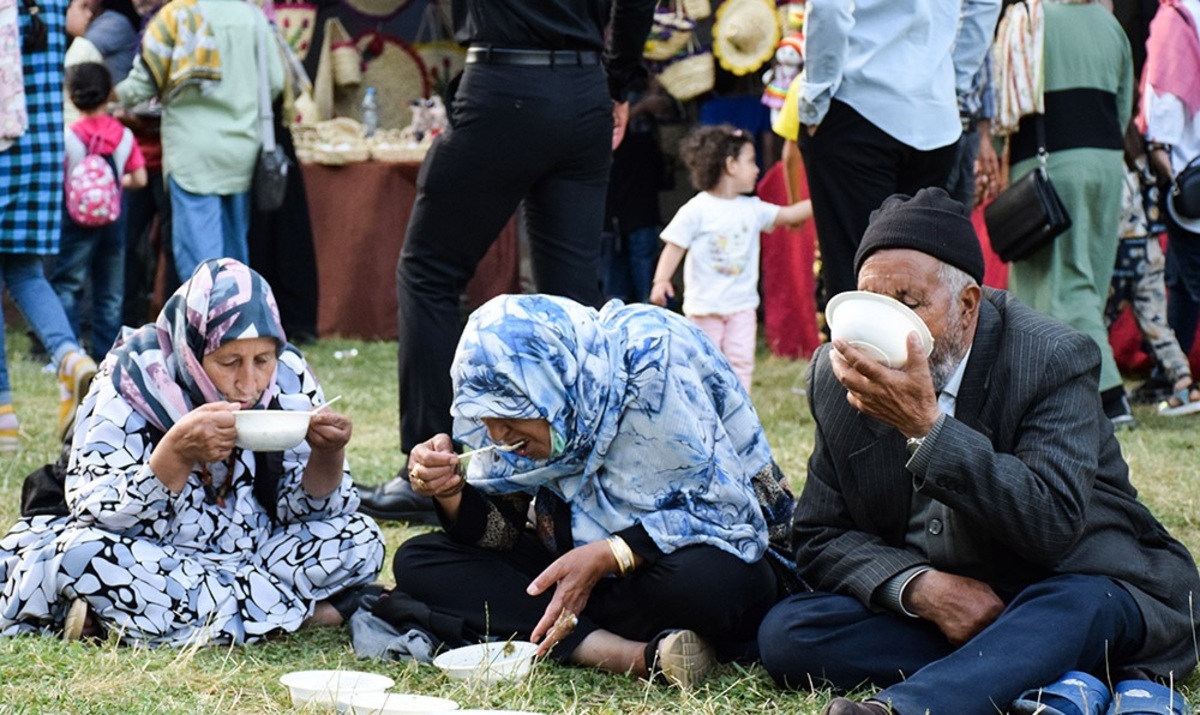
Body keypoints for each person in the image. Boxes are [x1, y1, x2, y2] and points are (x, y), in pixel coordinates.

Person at [756, 188, 1200, 715]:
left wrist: (927, 427)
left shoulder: (1052, 357)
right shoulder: (838, 374)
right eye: (875, 302)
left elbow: (1052, 522)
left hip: (1067, 580)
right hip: (954, 606)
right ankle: (1035, 666)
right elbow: (821, 535)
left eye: (910, 302)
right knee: (790, 634)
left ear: (968, 306)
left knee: (1079, 606)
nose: (888, 324)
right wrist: (921, 588)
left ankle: (899, 709)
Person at [375, 294, 796, 688]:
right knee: (420, 559)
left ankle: (548, 627)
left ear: (550, 386)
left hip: (697, 558)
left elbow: (728, 514)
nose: (496, 433)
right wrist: (449, 492)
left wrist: (610, 554)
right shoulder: (534, 418)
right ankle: (625, 654)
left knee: (714, 584)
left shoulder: (655, 363)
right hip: (592, 575)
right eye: (482, 413)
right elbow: (501, 534)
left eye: (509, 412)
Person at [360, 0, 657, 524]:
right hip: (584, 87)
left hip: (504, 81)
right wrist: (617, 80)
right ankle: (583, 471)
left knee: (428, 273)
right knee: (571, 304)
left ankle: (433, 469)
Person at [0, 258, 384, 645]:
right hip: (152, 548)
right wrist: (176, 454)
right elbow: (94, 510)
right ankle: (304, 614)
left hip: (254, 547)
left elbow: (308, 514)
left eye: (262, 360)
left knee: (362, 538)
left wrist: (328, 456)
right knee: (77, 555)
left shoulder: (289, 376)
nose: (249, 383)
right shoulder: (132, 377)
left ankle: (138, 616)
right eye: (230, 362)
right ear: (191, 352)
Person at [796, 0, 1000, 304]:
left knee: (854, 274)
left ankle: (859, 349)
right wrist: (953, 82)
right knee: (917, 275)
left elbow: (828, 7)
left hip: (858, 102)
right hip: (933, 113)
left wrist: (816, 94)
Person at [1000, 0, 1135, 428]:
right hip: (1106, 164)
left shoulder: (1028, 16)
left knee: (1062, 282)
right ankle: (1053, 395)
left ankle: (1109, 396)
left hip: (1049, 165)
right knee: (1089, 279)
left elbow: (1007, 101)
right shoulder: (1109, 25)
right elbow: (1124, 102)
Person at [114, 0, 283, 284]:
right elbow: (276, 82)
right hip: (242, 148)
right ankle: (238, 321)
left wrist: (104, 95)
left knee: (200, 262)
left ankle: (207, 323)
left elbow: (142, 85)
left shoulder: (176, 15)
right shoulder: (253, 17)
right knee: (235, 254)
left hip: (192, 152)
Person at [0, 0, 100, 452]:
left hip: (4, 147)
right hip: (41, 152)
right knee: (25, 271)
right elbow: (80, 24)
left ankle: (3, 423)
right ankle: (69, 357)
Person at [649, 124, 812, 392]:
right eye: (751, 161)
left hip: (742, 308)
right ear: (730, 165)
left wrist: (825, 195)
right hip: (704, 308)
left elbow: (790, 215)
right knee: (704, 365)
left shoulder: (752, 208)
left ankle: (740, 414)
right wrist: (661, 281)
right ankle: (707, 413)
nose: (758, 168)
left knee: (740, 363)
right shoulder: (697, 209)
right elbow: (674, 246)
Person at [51, 62, 148, 362]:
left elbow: (59, 179)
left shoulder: (68, 137)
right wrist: (114, 182)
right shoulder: (123, 136)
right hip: (113, 222)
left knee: (69, 284)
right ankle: (107, 355)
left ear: (71, 97)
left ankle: (69, 355)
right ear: (109, 96)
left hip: (75, 222)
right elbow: (140, 179)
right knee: (110, 293)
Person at [1141, 0, 1200, 414]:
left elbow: (1163, 113)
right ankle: (1170, 376)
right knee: (1179, 281)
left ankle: (1177, 384)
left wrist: (1160, 163)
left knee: (1191, 278)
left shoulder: (1173, 17)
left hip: (1187, 178)